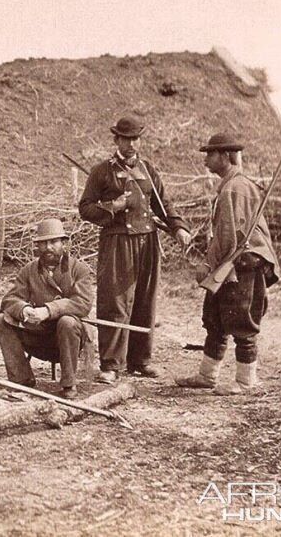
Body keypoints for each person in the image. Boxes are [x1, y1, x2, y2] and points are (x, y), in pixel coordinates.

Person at [78, 116, 192, 383]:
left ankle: (140, 361)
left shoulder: (148, 170)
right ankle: (110, 364)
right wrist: (112, 207)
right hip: (117, 243)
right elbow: (85, 208)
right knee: (115, 301)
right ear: (117, 140)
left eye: (136, 138)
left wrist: (178, 228)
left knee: (144, 300)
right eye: (126, 138)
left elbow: (163, 205)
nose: (131, 144)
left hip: (148, 242)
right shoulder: (101, 172)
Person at [176, 134, 280, 395]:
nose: (205, 160)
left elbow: (227, 236)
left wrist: (207, 265)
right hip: (231, 263)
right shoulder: (231, 184)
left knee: (242, 322)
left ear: (224, 156)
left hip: (242, 265)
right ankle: (207, 375)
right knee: (215, 319)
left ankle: (246, 382)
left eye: (210, 155)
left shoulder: (235, 188)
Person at [0, 219, 94, 398]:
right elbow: (10, 299)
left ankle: (69, 384)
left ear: (64, 243)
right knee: (0, 320)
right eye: (43, 243)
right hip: (38, 336)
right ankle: (21, 380)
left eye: (53, 242)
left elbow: (82, 302)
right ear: (37, 246)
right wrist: (24, 310)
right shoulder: (29, 271)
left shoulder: (79, 269)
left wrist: (48, 310)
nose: (48, 247)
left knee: (67, 321)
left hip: (68, 339)